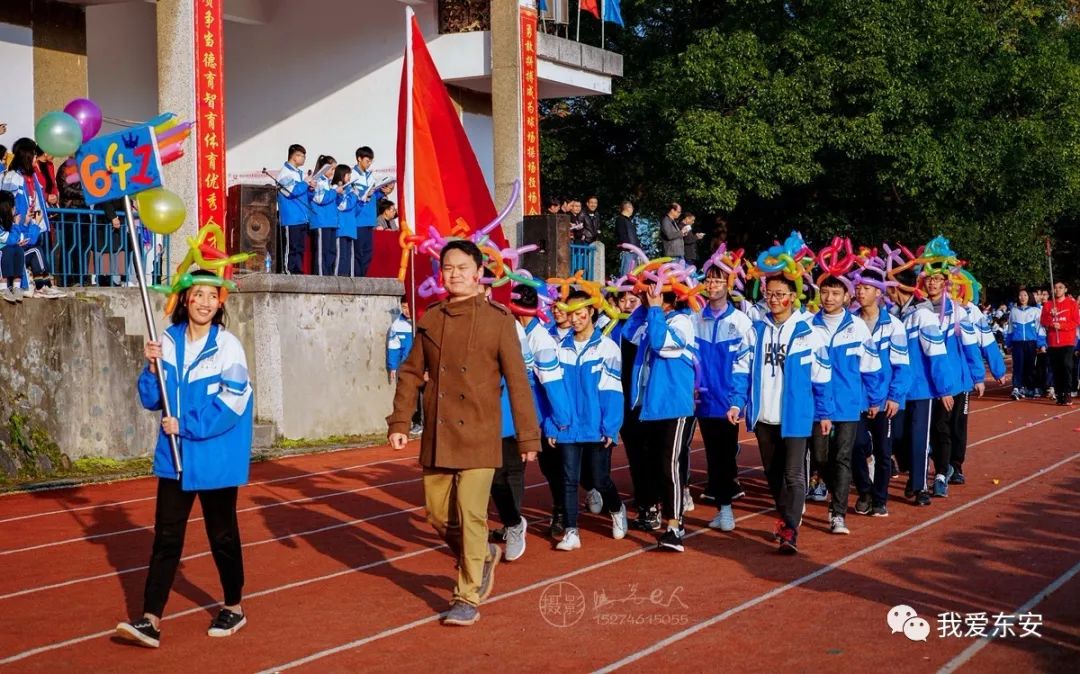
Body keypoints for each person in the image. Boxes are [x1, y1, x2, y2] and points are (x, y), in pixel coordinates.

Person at [387, 240, 539, 627]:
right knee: (438, 515)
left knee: (472, 514)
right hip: (439, 433)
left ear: (477, 273)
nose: (453, 274)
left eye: (461, 268)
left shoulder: (498, 319)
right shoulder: (431, 318)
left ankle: (466, 594)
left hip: (481, 434)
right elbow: (409, 372)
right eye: (447, 268)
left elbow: (518, 382)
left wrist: (527, 437)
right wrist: (400, 421)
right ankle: (483, 554)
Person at [115, 269, 254, 648]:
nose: (206, 302)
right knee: (166, 537)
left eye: (213, 296)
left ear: (219, 302)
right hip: (175, 457)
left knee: (222, 535)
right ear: (185, 300)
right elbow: (150, 399)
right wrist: (150, 368)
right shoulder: (167, 341)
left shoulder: (228, 346)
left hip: (214, 457)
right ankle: (150, 619)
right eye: (199, 295)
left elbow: (233, 401)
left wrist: (187, 425)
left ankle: (234, 606)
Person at [729, 275, 834, 555]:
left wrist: (823, 412)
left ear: (792, 296)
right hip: (764, 415)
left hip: (796, 416)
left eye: (780, 294)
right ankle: (786, 515)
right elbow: (741, 368)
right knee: (774, 475)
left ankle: (790, 529)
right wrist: (737, 403)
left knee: (794, 475)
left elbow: (821, 376)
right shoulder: (756, 330)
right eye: (770, 294)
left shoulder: (808, 332)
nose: (774, 299)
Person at [552, 289, 627, 551]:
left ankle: (617, 508)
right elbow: (553, 390)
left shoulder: (607, 347)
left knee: (599, 478)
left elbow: (612, 390)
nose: (574, 319)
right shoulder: (560, 348)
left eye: (579, 313)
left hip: (596, 427)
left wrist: (611, 426)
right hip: (567, 426)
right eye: (569, 314)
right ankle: (572, 532)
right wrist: (552, 424)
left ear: (591, 311)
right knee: (569, 479)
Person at [809, 276, 883, 535]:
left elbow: (871, 366)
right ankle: (833, 489)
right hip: (818, 406)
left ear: (846, 297)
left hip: (848, 404)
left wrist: (875, 399)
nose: (829, 298)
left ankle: (837, 513)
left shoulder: (858, 327)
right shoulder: (808, 326)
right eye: (825, 292)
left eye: (835, 293)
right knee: (819, 456)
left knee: (842, 456)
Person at [629, 284, 697, 552]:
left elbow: (661, 345)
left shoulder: (683, 321)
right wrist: (643, 307)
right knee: (656, 464)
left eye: (650, 293)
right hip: (651, 405)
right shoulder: (651, 318)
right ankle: (660, 512)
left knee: (670, 465)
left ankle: (675, 524)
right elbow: (629, 334)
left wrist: (654, 308)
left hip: (674, 405)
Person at [509, 285, 572, 543]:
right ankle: (511, 520)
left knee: (553, 468)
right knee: (511, 470)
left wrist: (560, 420)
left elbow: (553, 383)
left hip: (543, 416)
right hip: (518, 414)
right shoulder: (513, 331)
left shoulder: (541, 340)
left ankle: (561, 512)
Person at [693, 266, 754, 532]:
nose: (712, 284)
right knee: (713, 456)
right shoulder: (696, 320)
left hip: (728, 402)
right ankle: (722, 507)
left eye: (718, 280)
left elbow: (745, 365)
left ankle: (727, 510)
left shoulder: (741, 322)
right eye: (709, 279)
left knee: (725, 457)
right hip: (703, 401)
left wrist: (737, 400)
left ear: (728, 285)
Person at [887, 269, 953, 506]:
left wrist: (944, 389)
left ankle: (920, 486)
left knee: (918, 438)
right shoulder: (892, 315)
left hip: (921, 389)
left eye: (889, 288)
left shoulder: (923, 315)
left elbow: (936, 353)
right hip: (898, 390)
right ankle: (911, 472)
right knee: (896, 436)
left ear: (898, 288)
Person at [851, 269, 911, 518]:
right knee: (854, 447)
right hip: (856, 400)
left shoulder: (893, 325)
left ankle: (879, 498)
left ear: (878, 292)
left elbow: (901, 365)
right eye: (858, 286)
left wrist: (894, 396)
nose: (860, 291)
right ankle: (864, 491)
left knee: (884, 451)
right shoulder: (850, 323)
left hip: (885, 400)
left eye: (866, 287)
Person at [350, 146, 392, 277]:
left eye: (371, 161)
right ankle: (356, 279)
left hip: (369, 219)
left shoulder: (370, 176)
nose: (369, 164)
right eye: (367, 160)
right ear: (359, 159)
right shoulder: (352, 175)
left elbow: (372, 196)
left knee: (368, 252)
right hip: (358, 219)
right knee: (358, 252)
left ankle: (363, 277)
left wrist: (382, 192)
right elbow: (353, 196)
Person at [1040, 280, 1079, 406]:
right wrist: (1051, 318)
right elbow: (1043, 321)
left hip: (1067, 341)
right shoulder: (1048, 305)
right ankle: (1059, 393)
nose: (1057, 290)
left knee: (1067, 365)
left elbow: (1076, 321)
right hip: (1053, 342)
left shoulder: (1072, 304)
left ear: (1065, 290)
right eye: (1055, 288)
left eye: (1060, 287)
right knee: (1056, 368)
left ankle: (1067, 392)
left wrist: (1062, 326)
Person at [276, 144, 312, 275]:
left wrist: (311, 188)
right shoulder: (285, 173)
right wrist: (305, 183)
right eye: (301, 156)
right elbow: (291, 192)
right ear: (294, 156)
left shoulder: (299, 174)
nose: (303, 159)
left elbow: (304, 194)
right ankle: (288, 271)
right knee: (291, 247)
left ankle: (297, 270)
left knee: (300, 248)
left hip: (302, 216)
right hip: (291, 217)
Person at [308, 155, 340, 276]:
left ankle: (328, 276)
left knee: (331, 252)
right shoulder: (318, 182)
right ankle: (321, 278)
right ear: (323, 168)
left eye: (334, 169)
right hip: (321, 221)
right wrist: (334, 192)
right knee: (322, 253)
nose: (334, 172)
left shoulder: (329, 183)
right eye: (332, 169)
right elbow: (320, 199)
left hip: (331, 221)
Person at [332, 164, 360, 276]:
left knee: (349, 257)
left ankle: (350, 281)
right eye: (347, 174)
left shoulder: (350, 189)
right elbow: (343, 206)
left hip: (351, 228)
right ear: (341, 174)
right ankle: (338, 281)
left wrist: (362, 200)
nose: (349, 177)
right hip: (341, 228)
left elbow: (355, 209)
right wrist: (354, 196)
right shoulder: (336, 188)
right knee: (341, 257)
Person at [613, 200, 638, 275]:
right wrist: (628, 247)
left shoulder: (629, 221)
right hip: (627, 252)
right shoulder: (620, 220)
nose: (633, 210)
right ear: (628, 208)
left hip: (634, 251)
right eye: (632, 208)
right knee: (626, 274)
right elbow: (622, 235)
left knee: (633, 275)